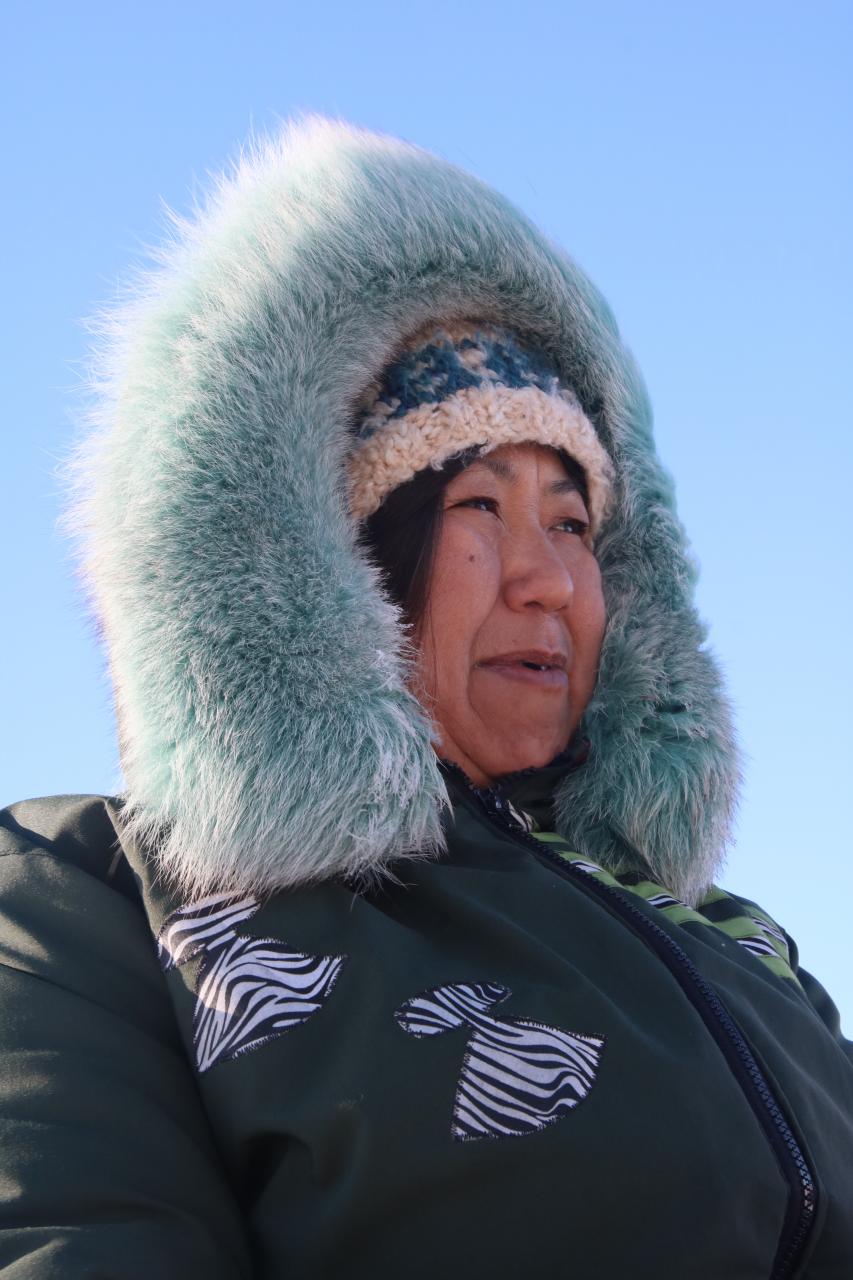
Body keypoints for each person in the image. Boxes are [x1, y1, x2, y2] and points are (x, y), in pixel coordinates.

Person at [1, 118, 851, 1279]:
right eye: (479, 506)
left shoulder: (740, 941)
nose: (548, 578)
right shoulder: (91, 902)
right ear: (331, 560)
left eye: (572, 521)